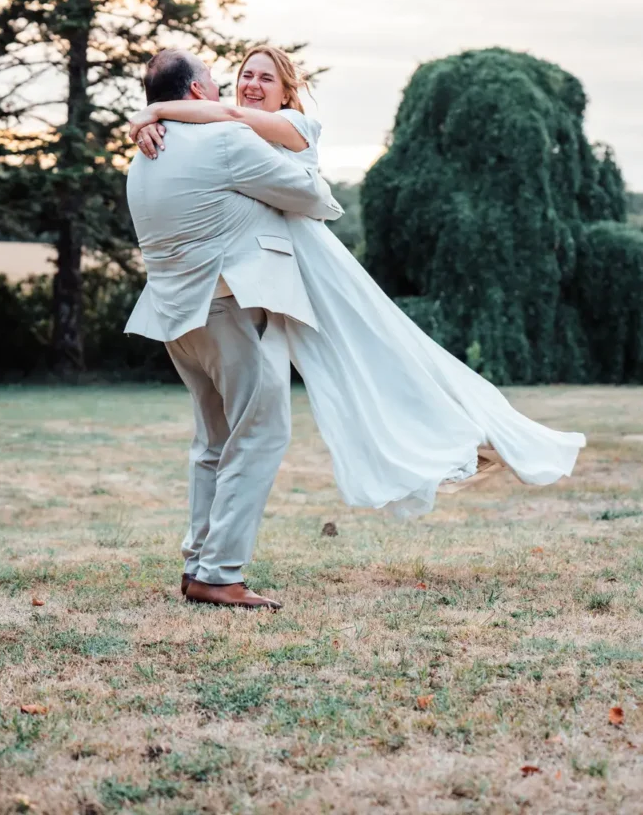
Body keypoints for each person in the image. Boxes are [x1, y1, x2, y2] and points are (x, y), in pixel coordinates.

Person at [130, 45, 586, 520]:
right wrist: (153, 124)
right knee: (330, 379)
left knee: (376, 348)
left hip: (311, 259)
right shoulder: (220, 133)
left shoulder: (289, 126)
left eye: (266, 79)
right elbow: (209, 133)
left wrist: (153, 111)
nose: (251, 86)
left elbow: (222, 115)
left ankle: (455, 432)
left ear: (288, 92)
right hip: (270, 275)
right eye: (246, 75)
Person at [125, 49, 343, 609]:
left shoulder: (146, 155)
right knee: (262, 432)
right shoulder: (223, 139)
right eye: (219, 81)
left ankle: (199, 563)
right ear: (197, 92)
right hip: (226, 308)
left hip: (177, 317)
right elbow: (312, 196)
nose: (229, 89)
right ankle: (220, 573)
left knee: (213, 442)